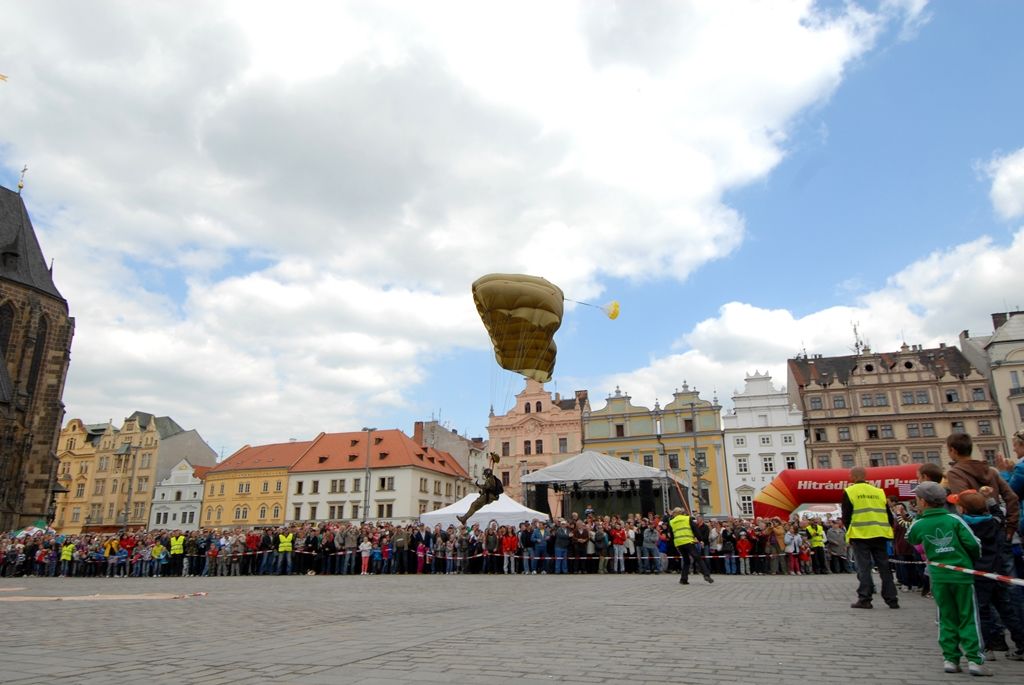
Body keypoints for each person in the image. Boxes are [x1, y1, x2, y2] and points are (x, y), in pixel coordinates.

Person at [907, 481, 990, 676]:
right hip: (962, 575)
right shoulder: (954, 519)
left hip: (938, 577)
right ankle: (975, 660)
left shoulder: (920, 523)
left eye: (917, 499)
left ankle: (950, 659)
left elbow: (911, 538)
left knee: (946, 617)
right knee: (968, 616)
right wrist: (970, 560)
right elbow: (974, 544)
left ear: (924, 502)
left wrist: (919, 517)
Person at [842, 466, 898, 609]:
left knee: (864, 567)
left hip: (860, 534)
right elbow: (888, 515)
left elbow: (846, 516)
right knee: (885, 567)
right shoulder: (879, 492)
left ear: (853, 476)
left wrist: (850, 533)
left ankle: (865, 598)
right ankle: (892, 599)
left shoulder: (850, 491)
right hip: (880, 533)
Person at [668, 507, 713, 585]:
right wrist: (700, 539)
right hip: (688, 541)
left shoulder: (671, 522)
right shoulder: (687, 518)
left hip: (679, 543)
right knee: (698, 558)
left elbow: (671, 535)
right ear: (681, 512)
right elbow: (695, 529)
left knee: (686, 560)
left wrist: (675, 544)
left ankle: (683, 579)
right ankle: (706, 575)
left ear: (675, 513)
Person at [457, 459, 502, 527]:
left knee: (473, 505)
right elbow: (489, 488)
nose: (485, 476)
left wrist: (479, 486)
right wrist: (482, 491)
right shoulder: (492, 479)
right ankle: (464, 518)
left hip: (487, 497)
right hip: (488, 497)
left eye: (485, 474)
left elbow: (487, 487)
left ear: (487, 474)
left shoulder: (490, 479)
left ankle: (464, 518)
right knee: (475, 508)